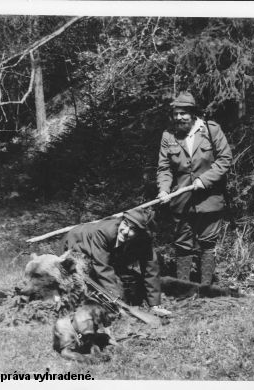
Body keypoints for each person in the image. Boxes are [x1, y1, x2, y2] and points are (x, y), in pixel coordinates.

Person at [157, 91, 232, 285]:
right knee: (182, 244)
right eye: (175, 113)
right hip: (181, 201)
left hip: (210, 199)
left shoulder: (211, 130)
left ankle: (205, 288)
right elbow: (164, 168)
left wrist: (204, 180)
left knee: (207, 244)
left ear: (193, 113)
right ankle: (184, 287)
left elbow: (225, 160)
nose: (179, 118)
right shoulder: (168, 136)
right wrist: (164, 189)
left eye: (183, 113)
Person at [56, 208, 171, 316]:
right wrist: (118, 302)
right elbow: (103, 268)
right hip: (75, 243)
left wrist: (155, 304)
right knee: (85, 280)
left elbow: (151, 269)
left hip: (98, 251)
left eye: (133, 229)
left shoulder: (144, 241)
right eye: (125, 224)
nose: (125, 231)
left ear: (141, 234)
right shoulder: (103, 232)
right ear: (121, 221)